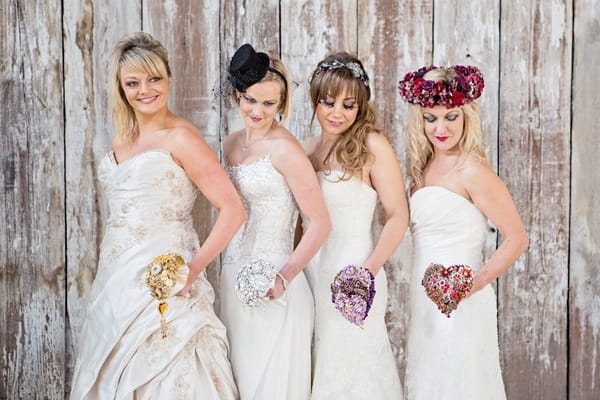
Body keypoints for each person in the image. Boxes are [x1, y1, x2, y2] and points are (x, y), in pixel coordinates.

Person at [69, 32, 245, 400]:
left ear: (168, 79)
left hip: (165, 279)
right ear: (120, 87)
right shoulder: (121, 140)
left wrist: (192, 269)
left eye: (154, 79)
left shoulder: (181, 138)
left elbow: (232, 210)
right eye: (133, 82)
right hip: (117, 281)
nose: (145, 90)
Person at [397, 65, 529, 399]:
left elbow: (516, 237)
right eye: (430, 118)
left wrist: (473, 283)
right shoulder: (423, 168)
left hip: (462, 296)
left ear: (466, 116)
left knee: (460, 381)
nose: (440, 128)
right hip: (424, 297)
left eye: (451, 117)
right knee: (430, 379)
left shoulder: (472, 169)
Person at [218, 44, 331, 400]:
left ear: (281, 105)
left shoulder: (286, 150)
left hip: (276, 283)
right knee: (238, 381)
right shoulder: (231, 144)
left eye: (269, 104)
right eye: (250, 100)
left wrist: (285, 276)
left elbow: (320, 223)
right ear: (238, 95)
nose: (257, 111)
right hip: (232, 277)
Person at [302, 52, 408, 399]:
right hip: (314, 276)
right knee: (321, 365)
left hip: (356, 272)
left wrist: (366, 274)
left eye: (349, 105)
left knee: (354, 366)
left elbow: (398, 215)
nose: (337, 113)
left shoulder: (371, 145)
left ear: (361, 107)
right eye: (328, 102)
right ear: (315, 99)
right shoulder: (306, 150)